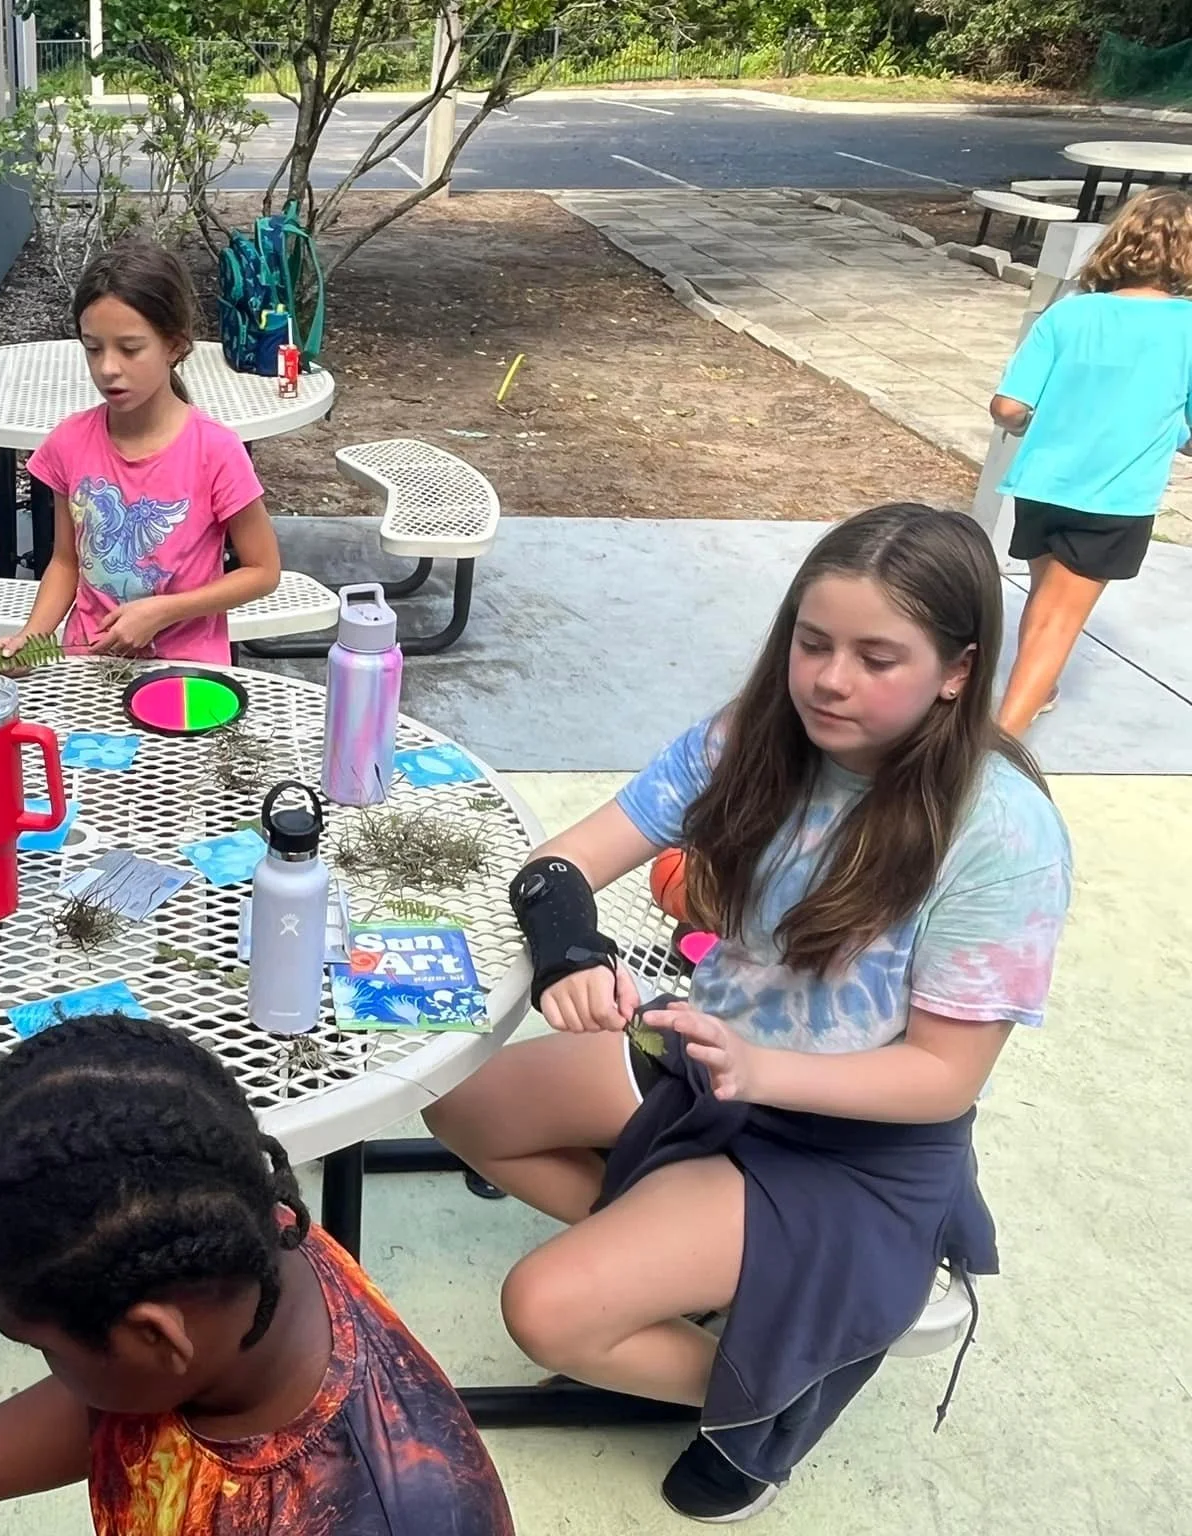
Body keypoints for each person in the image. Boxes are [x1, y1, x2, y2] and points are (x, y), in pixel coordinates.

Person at [422, 504, 1072, 1522]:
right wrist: (570, 956)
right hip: (707, 1059)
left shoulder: (999, 832)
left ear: (957, 668)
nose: (828, 679)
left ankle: (773, 1392)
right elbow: (557, 865)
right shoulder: (750, 738)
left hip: (848, 1144)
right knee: (453, 1101)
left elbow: (942, 1077)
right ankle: (718, 1288)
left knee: (543, 1310)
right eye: (811, 643)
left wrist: (762, 1069)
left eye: (875, 656)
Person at [0, 1014, 515, 1536]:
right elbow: (116, 1410)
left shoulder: (380, 1514)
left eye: (45, 1349)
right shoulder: (248, 1265)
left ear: (154, 1334)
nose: (56, 1373)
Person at [0, 241, 282, 665]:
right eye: (93, 348)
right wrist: (32, 636)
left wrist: (163, 611)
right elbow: (65, 561)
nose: (108, 367)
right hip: (89, 664)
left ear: (174, 346)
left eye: (130, 349)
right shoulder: (69, 443)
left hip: (186, 672)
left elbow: (262, 572)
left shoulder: (215, 451)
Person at [988, 186, 1192, 733]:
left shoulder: (1069, 314)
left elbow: (1008, 406)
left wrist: (1028, 424)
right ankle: (998, 743)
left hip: (1042, 485)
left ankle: (1041, 686)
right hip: (1115, 498)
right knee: (1060, 617)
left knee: (1045, 595)